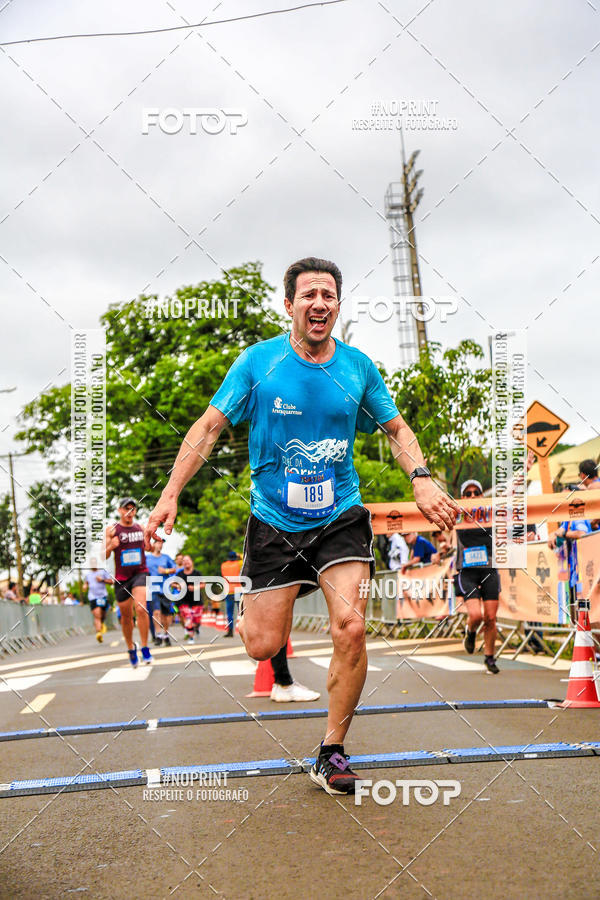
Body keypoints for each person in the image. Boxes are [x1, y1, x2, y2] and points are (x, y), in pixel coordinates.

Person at [145, 256, 457, 795]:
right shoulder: (257, 364)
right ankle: (258, 605)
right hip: (273, 522)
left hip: (340, 515)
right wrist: (170, 492)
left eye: (329, 295)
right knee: (262, 645)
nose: (319, 304)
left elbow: (397, 428)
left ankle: (332, 751)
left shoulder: (358, 367)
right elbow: (208, 427)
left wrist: (422, 478)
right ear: (288, 305)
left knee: (352, 627)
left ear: (337, 306)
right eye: (308, 294)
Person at [455, 479, 501, 674]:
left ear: (482, 496)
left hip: (489, 569)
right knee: (476, 615)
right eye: (468, 494)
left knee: (491, 618)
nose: (473, 497)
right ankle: (470, 631)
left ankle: (489, 658)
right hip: (466, 572)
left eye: (476, 493)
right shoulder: (457, 517)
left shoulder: (491, 514)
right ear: (462, 498)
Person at [104, 497, 152, 667]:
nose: (129, 512)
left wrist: (150, 541)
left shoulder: (141, 528)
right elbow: (103, 555)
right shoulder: (112, 530)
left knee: (141, 608)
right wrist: (111, 546)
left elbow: (150, 548)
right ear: (120, 511)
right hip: (122, 578)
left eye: (132, 509)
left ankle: (145, 647)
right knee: (126, 618)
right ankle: (131, 648)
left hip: (140, 572)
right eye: (126, 509)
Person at [146, 537, 177, 646]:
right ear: (153, 545)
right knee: (156, 612)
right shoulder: (147, 558)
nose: (160, 545)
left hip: (165, 588)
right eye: (158, 543)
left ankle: (166, 634)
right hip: (153, 588)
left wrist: (165, 571)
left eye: (162, 543)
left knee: (167, 615)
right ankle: (158, 634)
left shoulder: (166, 558)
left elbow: (175, 568)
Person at [83, 560, 113, 643]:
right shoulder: (88, 575)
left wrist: (102, 580)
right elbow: (86, 583)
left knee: (102, 615)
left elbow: (111, 582)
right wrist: (85, 586)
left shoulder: (103, 571)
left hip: (102, 596)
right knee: (97, 615)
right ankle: (98, 633)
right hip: (93, 597)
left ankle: (102, 623)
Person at [178, 555, 204, 642]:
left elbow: (203, 584)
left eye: (188, 560)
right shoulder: (180, 574)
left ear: (191, 562)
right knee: (188, 618)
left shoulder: (197, 573)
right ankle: (191, 637)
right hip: (184, 601)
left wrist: (195, 587)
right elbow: (172, 583)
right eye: (184, 561)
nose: (186, 562)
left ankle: (195, 627)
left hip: (196, 601)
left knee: (196, 621)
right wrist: (178, 586)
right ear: (182, 564)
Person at [221, 550, 242, 637]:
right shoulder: (239, 564)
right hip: (238, 590)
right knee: (241, 612)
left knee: (230, 612)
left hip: (228, 591)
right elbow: (245, 557)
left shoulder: (223, 565)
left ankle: (230, 631)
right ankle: (243, 629)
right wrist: (239, 554)